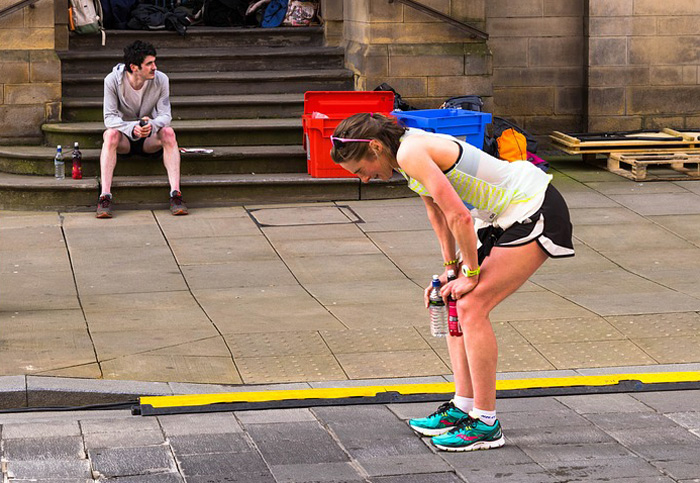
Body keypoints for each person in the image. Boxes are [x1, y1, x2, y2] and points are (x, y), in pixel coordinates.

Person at [330, 113, 574, 452]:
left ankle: (486, 423)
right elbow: (437, 213)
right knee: (451, 297)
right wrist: (451, 270)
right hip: (503, 215)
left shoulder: (408, 153)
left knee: (473, 305)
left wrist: (471, 274)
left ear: (374, 147)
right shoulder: (402, 153)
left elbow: (458, 214)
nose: (365, 179)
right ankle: (463, 406)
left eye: (360, 170)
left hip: (533, 206)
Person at [97, 40, 188, 218]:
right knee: (109, 135)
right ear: (134, 67)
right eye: (149, 64)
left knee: (169, 132)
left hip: (149, 139)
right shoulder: (112, 81)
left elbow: (165, 115)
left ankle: (176, 194)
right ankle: (104, 197)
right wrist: (132, 128)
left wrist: (151, 125)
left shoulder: (161, 79)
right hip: (124, 139)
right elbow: (109, 118)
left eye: (154, 62)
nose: (155, 67)